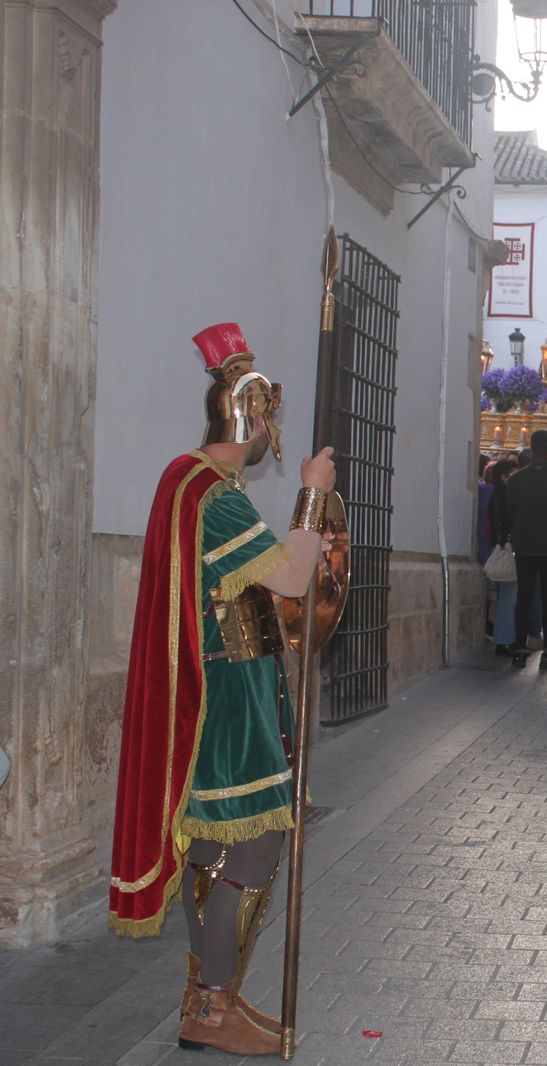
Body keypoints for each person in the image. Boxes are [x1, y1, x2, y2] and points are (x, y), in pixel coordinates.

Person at [109, 323, 337, 1056]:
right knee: (257, 848)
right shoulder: (215, 495)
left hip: (216, 691)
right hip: (226, 702)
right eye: (268, 413)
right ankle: (213, 1003)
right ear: (250, 414)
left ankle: (207, 999)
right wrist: (310, 497)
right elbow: (290, 578)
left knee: (211, 851)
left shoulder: (189, 482)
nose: (273, 429)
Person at [507, 429, 547, 669]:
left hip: (524, 546)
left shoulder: (516, 480)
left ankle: (519, 648)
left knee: (523, 598)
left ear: (532, 448)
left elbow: (509, 512)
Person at [487, 458, 519, 656]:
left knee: (505, 597)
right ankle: (504, 639)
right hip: (508, 550)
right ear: (504, 476)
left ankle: (504, 636)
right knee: (509, 597)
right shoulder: (505, 497)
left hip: (501, 548)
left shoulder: (497, 495)